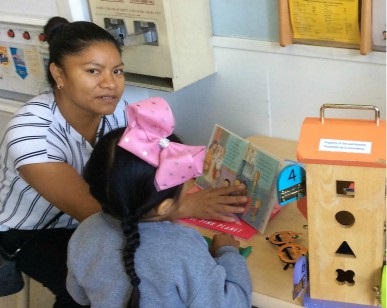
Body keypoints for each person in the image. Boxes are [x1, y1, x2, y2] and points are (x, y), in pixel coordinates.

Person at [0, 17, 247, 307]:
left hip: (108, 220)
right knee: (104, 284)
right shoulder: (29, 135)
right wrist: (187, 204)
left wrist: (185, 190)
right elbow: (96, 212)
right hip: (35, 233)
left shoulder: (121, 113)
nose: (111, 83)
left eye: (117, 71)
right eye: (93, 71)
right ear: (59, 73)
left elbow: (153, 167)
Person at [66, 98, 252, 307]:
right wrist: (228, 253)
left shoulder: (85, 231)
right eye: (184, 181)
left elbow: (79, 295)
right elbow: (235, 303)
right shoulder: (182, 248)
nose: (188, 186)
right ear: (163, 208)